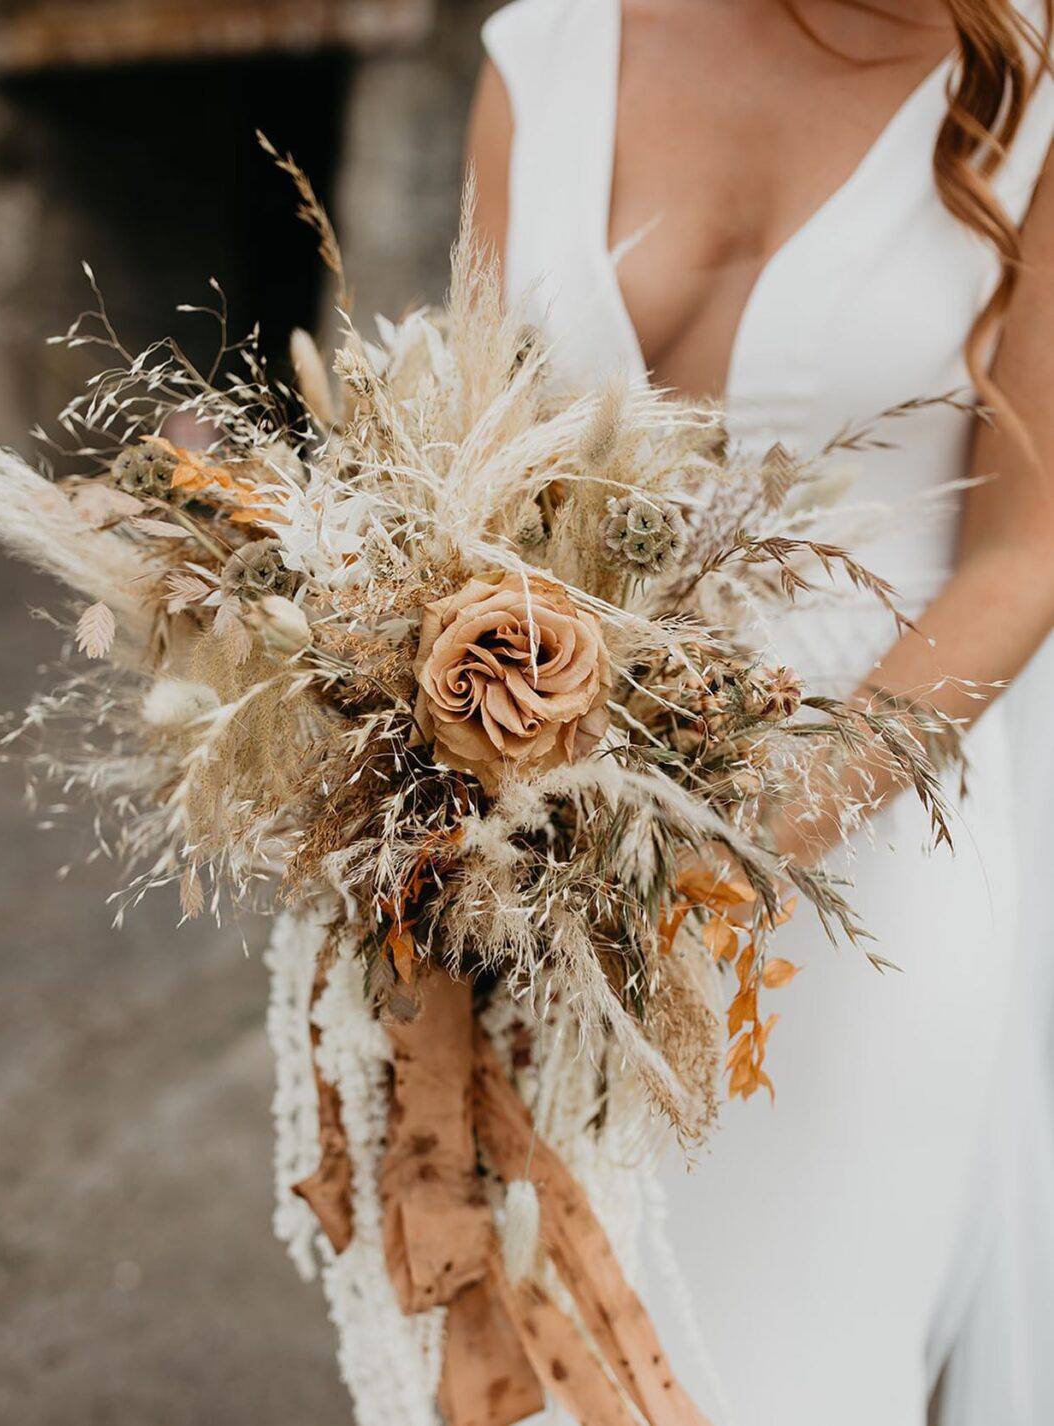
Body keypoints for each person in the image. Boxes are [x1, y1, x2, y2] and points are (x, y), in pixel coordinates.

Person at [466, 2, 1054, 1423]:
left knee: (791, 1371)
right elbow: (464, 469)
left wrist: (734, 852)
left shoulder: (1033, 83)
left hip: (880, 843)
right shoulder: (541, 55)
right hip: (548, 838)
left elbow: (1028, 548)